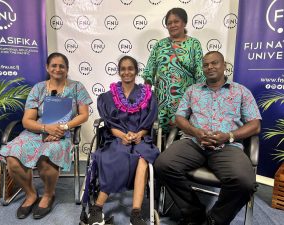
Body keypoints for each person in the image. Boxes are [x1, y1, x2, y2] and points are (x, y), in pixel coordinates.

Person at [154, 51, 262, 225]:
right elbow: (179, 117)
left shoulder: (241, 91)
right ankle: (193, 212)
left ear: (224, 66)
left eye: (215, 63)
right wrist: (195, 131)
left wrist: (229, 136)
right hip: (194, 142)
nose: (210, 67)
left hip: (227, 146)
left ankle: (215, 220)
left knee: (244, 182)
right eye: (206, 64)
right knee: (162, 165)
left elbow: (255, 125)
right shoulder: (192, 90)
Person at [0, 52, 93, 219]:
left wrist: (62, 127)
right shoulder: (38, 88)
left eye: (61, 66)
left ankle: (48, 194)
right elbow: (27, 120)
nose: (58, 69)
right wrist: (45, 128)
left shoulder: (77, 87)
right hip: (36, 132)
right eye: (54, 65)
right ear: (47, 68)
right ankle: (31, 194)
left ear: (67, 69)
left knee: (47, 156)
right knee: (12, 157)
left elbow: (83, 114)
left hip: (62, 133)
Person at [85, 56, 159, 225]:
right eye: (123, 69)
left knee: (143, 159)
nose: (127, 72)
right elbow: (110, 124)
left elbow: (149, 120)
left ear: (136, 71)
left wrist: (139, 134)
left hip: (141, 139)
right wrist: (123, 136)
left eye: (130, 68)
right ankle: (97, 207)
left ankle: (136, 213)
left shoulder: (147, 95)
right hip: (117, 138)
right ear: (119, 72)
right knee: (115, 155)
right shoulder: (107, 97)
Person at [143, 7, 205, 134]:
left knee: (182, 137)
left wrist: (199, 102)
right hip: (162, 103)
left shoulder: (194, 44)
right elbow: (149, 72)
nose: (172, 25)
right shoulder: (160, 45)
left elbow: (200, 74)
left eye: (176, 21)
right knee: (160, 138)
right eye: (169, 23)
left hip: (185, 102)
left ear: (184, 23)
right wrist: (146, 102)